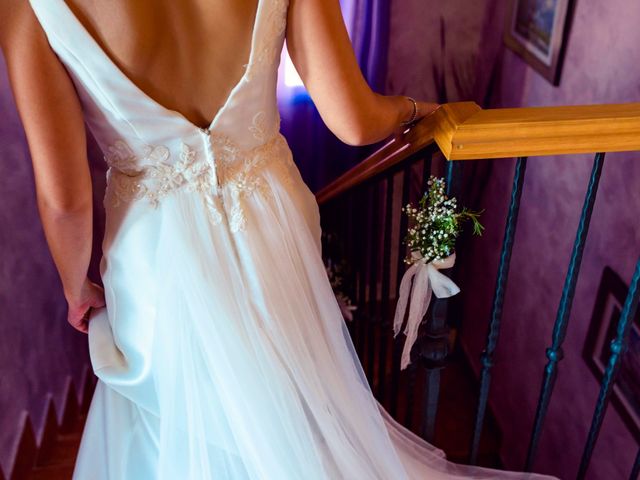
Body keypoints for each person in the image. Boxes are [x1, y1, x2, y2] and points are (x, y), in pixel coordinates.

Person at [0, 0, 558, 478]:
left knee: (182, 417)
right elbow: (353, 120)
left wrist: (78, 285)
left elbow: (65, 200)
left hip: (154, 254)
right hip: (271, 221)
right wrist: (420, 111)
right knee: (289, 403)